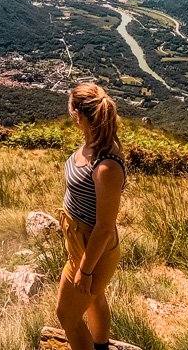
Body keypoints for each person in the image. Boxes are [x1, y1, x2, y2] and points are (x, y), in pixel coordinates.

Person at [56, 82, 126, 350]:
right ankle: (101, 347)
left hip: (91, 247)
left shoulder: (106, 164)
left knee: (66, 315)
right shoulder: (93, 145)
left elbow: (105, 227)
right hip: (78, 240)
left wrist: (85, 271)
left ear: (79, 115)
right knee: (95, 298)